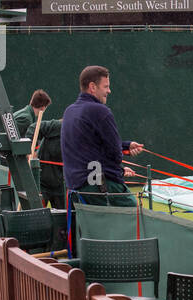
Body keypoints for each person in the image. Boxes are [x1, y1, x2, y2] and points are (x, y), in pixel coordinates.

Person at [61, 66, 143, 243]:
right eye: (105, 86)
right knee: (138, 220)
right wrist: (120, 167)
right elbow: (114, 153)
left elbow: (90, 145)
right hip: (100, 184)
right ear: (92, 87)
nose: (109, 91)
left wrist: (127, 146)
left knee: (94, 236)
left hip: (77, 186)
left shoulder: (69, 111)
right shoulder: (100, 111)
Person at [12, 89, 62, 208]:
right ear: (43, 107)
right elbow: (14, 140)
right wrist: (30, 152)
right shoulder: (26, 119)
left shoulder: (26, 114)